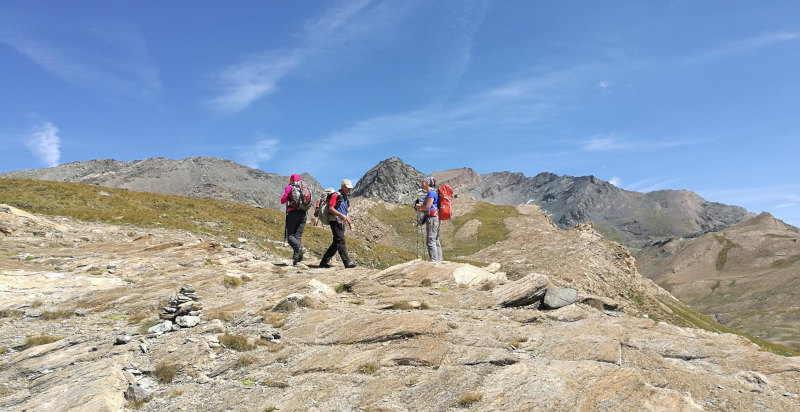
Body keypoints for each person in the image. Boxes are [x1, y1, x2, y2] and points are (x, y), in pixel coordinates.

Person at [319, 179, 357, 268]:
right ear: (342, 186)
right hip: (335, 221)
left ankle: (323, 262)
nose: (349, 190)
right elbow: (330, 208)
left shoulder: (345, 198)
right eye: (347, 188)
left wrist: (350, 223)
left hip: (341, 222)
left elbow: (346, 212)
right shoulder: (335, 196)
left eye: (350, 188)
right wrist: (340, 215)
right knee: (341, 241)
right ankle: (347, 262)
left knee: (336, 243)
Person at [280, 174, 307, 265]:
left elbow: (283, 200)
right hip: (303, 213)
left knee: (290, 236)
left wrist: (288, 197)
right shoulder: (304, 187)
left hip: (293, 213)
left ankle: (299, 248)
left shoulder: (290, 187)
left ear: (292, 180)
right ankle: (297, 259)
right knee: (297, 236)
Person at [415, 176, 443, 262]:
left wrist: (419, 207)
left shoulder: (431, 193)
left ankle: (434, 261)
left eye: (423, 182)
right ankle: (439, 260)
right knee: (435, 240)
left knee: (431, 240)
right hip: (434, 218)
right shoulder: (432, 193)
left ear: (427, 183)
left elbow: (427, 207)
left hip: (432, 219)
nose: (422, 184)